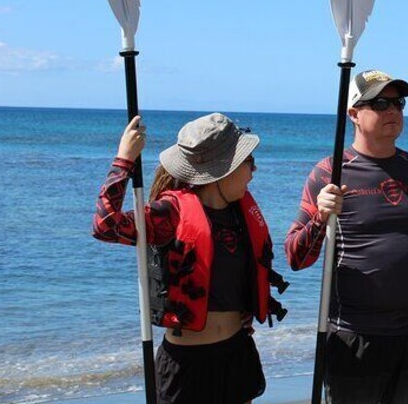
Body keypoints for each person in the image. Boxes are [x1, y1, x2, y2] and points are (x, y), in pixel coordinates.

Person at [285, 70, 408, 404]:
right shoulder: (329, 172)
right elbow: (296, 257)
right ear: (353, 113)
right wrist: (320, 219)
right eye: (380, 103)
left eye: (398, 102)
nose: (392, 110)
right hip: (353, 339)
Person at [93, 113, 289, 404]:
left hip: (236, 353)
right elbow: (105, 226)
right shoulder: (170, 214)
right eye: (248, 161)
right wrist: (124, 160)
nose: (254, 169)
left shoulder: (240, 213)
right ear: (224, 170)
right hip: (186, 365)